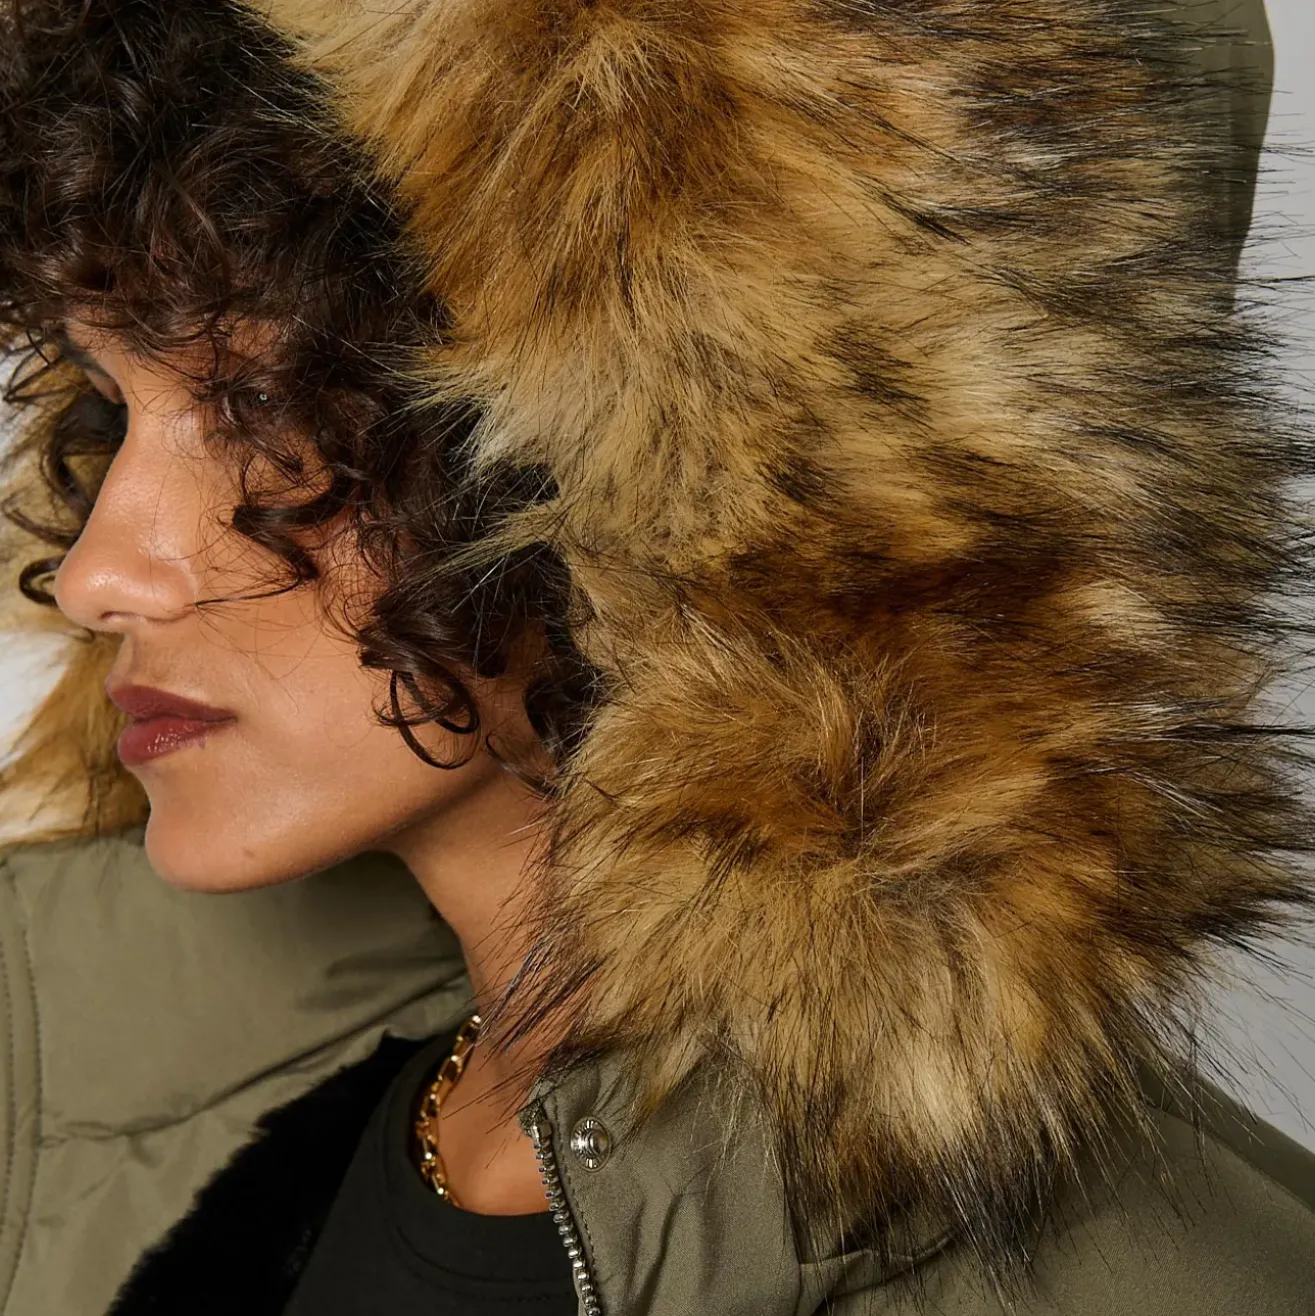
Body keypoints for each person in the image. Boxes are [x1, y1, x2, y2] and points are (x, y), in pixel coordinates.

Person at [0, 0, 1311, 1313]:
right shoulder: (118, 1131)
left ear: (728, 480)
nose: (103, 574)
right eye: (113, 404)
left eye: (261, 407)